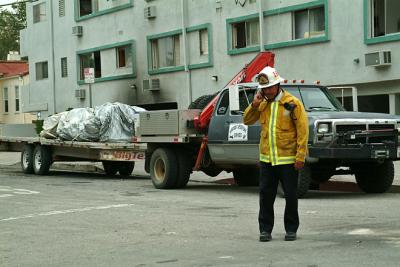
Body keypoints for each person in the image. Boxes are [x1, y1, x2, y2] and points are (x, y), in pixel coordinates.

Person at [243, 66, 309, 242]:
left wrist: (300, 156)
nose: (267, 91)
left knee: (291, 196)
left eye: (270, 87)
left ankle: (291, 229)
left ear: (278, 85)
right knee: (266, 196)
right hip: (267, 160)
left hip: (288, 160)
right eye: (264, 89)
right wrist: (254, 104)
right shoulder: (262, 104)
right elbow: (247, 120)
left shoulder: (293, 103)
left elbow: (303, 131)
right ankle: (265, 230)